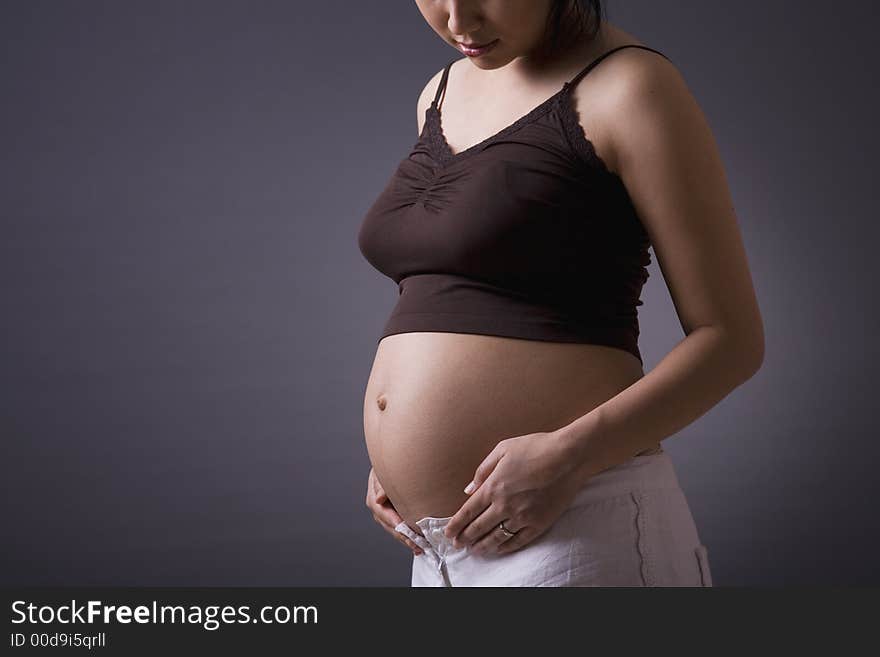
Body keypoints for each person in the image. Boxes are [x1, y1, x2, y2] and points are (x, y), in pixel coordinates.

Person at [359, 0, 763, 586]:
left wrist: (570, 455)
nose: (458, 20)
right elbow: (448, 286)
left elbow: (732, 342)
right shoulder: (439, 92)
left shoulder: (631, 86)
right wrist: (398, 465)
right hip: (442, 553)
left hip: (574, 525)